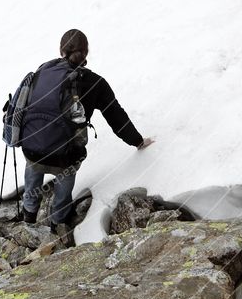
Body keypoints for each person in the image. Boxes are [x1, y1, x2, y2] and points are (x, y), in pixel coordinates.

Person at [21, 29, 153, 243]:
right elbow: (115, 115)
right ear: (86, 52)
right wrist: (137, 141)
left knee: (34, 167)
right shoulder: (95, 83)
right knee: (65, 172)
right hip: (64, 156)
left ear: (61, 50)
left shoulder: (43, 72)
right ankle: (58, 223)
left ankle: (28, 216)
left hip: (32, 149)